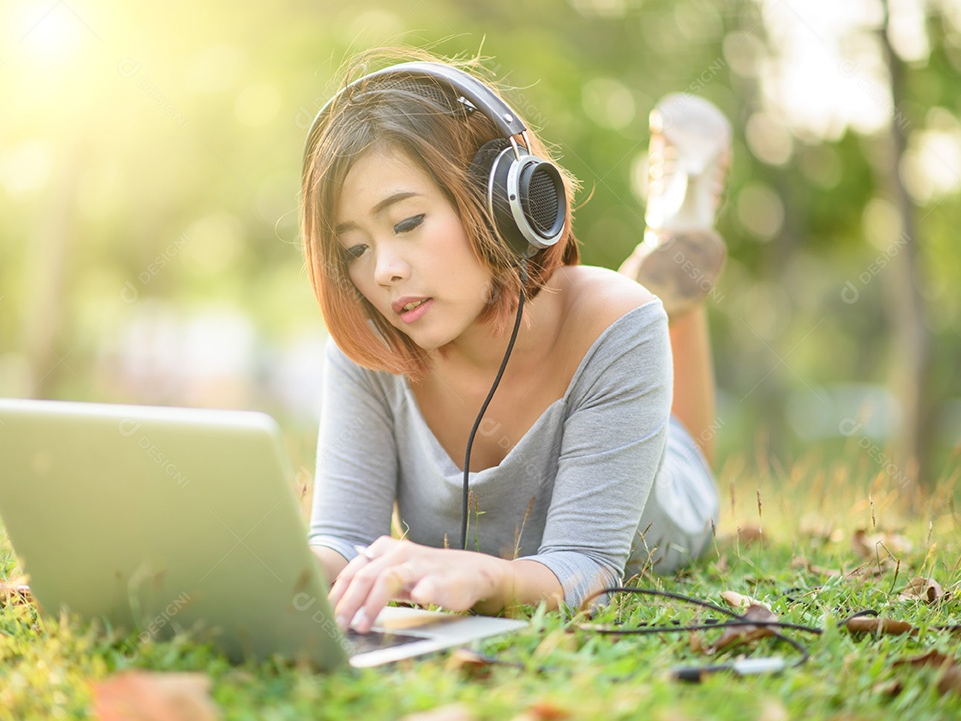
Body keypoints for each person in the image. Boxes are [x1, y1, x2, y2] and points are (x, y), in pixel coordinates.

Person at [300, 49, 727, 634]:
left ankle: (676, 237)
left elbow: (589, 565)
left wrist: (489, 578)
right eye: (355, 248)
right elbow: (344, 540)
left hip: (665, 479)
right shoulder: (371, 348)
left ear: (505, 202)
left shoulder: (619, 326)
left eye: (406, 223)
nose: (383, 272)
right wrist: (275, 571)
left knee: (680, 445)